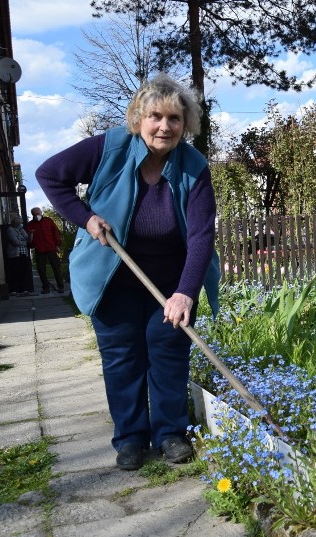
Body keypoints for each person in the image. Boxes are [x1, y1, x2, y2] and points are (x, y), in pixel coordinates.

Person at [35, 73, 220, 471]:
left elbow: (202, 234)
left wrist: (186, 292)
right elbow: (50, 175)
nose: (164, 127)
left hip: (169, 280)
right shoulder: (110, 148)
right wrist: (85, 219)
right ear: (138, 118)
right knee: (122, 357)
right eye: (155, 116)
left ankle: (170, 432)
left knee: (168, 350)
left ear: (185, 124)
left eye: (174, 119)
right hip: (112, 276)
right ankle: (131, 438)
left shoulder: (194, 166)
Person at [25, 207, 65, 294]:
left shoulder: (48, 221)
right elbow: (29, 241)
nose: (36, 216)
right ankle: (45, 288)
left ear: (41, 213)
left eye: (37, 214)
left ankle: (61, 287)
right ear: (32, 215)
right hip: (39, 250)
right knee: (41, 270)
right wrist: (31, 242)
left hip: (51, 248)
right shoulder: (30, 225)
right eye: (34, 215)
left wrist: (57, 245)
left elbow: (56, 232)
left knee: (56, 268)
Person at [4, 213, 34, 296]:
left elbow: (28, 239)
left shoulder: (21, 229)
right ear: (14, 222)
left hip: (23, 253)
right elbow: (15, 242)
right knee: (15, 272)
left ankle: (23, 290)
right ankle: (14, 290)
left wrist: (29, 234)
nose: (20, 223)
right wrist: (25, 243)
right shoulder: (10, 229)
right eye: (19, 221)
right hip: (14, 255)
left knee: (23, 272)